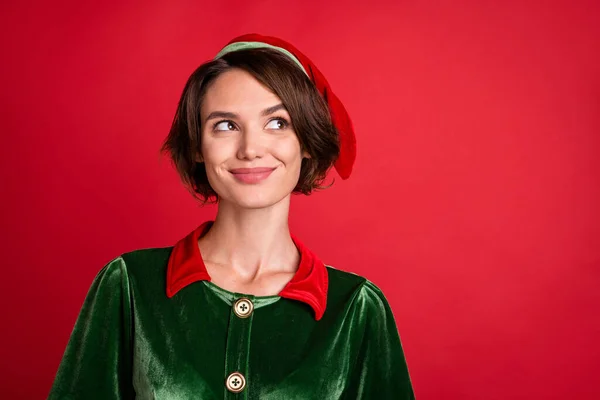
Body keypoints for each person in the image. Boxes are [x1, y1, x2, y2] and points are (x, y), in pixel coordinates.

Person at [48, 33, 415, 399]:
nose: (251, 149)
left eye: (277, 123)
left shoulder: (356, 307)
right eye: (225, 125)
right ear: (196, 146)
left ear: (305, 142)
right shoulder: (129, 286)